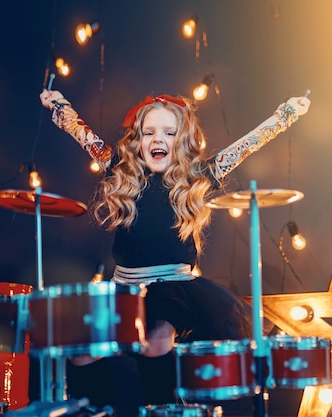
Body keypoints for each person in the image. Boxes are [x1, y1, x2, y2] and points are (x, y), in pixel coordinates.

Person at [39, 88, 310, 414]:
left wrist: (286, 114)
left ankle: (163, 408)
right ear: (136, 140)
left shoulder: (198, 176)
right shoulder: (119, 170)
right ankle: (99, 408)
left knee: (157, 340)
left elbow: (245, 146)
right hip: (124, 286)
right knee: (81, 353)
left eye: (169, 133)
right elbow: (83, 135)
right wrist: (58, 104)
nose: (158, 140)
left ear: (183, 141)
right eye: (149, 133)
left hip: (172, 288)